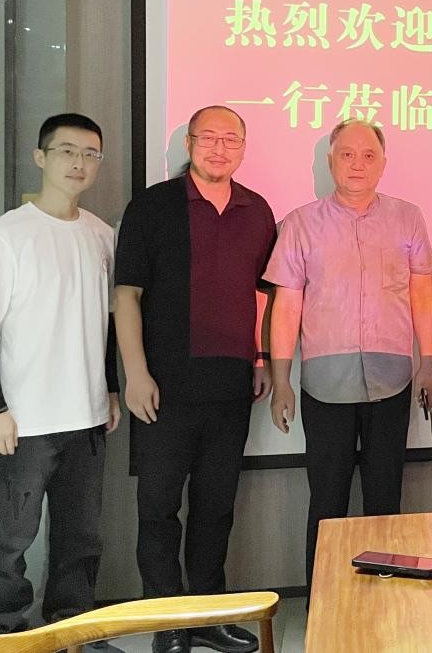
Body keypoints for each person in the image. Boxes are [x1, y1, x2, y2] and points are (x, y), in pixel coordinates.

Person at [114, 106, 276, 653]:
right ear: (189, 142)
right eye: (209, 138)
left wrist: (260, 359)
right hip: (163, 386)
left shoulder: (257, 210)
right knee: (159, 508)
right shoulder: (153, 205)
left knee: (215, 506)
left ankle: (207, 614)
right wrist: (135, 373)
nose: (219, 149)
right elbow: (126, 295)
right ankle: (168, 622)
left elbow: (266, 295)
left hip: (231, 386)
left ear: (243, 148)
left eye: (231, 140)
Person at [0, 113, 121, 636]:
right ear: (41, 157)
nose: (79, 163)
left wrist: (111, 389)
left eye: (90, 154)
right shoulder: (6, 235)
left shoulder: (101, 235)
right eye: (67, 151)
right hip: (24, 421)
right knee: (9, 542)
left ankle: (72, 632)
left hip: (87, 417)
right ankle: (6, 635)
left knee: (81, 540)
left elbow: (108, 322)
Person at [265, 119, 432, 584]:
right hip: (324, 384)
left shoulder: (407, 218)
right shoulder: (301, 223)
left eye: (368, 155)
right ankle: (325, 601)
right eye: (346, 154)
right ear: (330, 161)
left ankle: (385, 601)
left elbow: (422, 296)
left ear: (383, 163)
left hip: (392, 380)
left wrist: (428, 364)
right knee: (327, 502)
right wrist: (281, 380)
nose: (357, 164)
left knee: (385, 500)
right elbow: (287, 306)